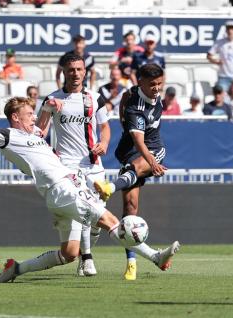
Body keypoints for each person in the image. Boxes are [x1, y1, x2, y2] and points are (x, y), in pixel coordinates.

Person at [0, 97, 180, 283]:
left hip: (60, 192)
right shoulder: (7, 135)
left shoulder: (34, 136)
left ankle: (15, 269)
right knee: (110, 221)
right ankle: (156, 257)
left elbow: (45, 119)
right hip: (63, 189)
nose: (33, 119)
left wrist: (49, 109)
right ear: (15, 118)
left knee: (69, 253)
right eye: (28, 115)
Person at [36, 53, 111, 277]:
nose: (75, 74)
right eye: (71, 70)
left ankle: (84, 255)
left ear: (85, 71)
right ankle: (87, 258)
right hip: (68, 165)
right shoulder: (53, 99)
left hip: (94, 164)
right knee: (86, 211)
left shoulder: (95, 98)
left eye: (79, 69)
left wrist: (104, 143)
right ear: (64, 72)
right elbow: (41, 132)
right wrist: (47, 109)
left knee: (99, 216)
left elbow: (105, 127)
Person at [94, 64, 168, 280]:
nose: (157, 88)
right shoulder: (134, 107)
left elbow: (126, 95)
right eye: (152, 84)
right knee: (130, 209)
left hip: (155, 149)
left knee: (134, 169)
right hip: (136, 151)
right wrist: (151, 163)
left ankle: (110, 187)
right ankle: (131, 264)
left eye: (159, 84)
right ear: (141, 82)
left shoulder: (133, 94)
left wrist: (152, 160)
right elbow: (137, 139)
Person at [207, 20, 233, 92]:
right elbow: (209, 55)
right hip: (223, 76)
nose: (230, 31)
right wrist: (216, 61)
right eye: (229, 29)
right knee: (222, 97)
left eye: (232, 29)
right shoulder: (220, 42)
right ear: (226, 30)